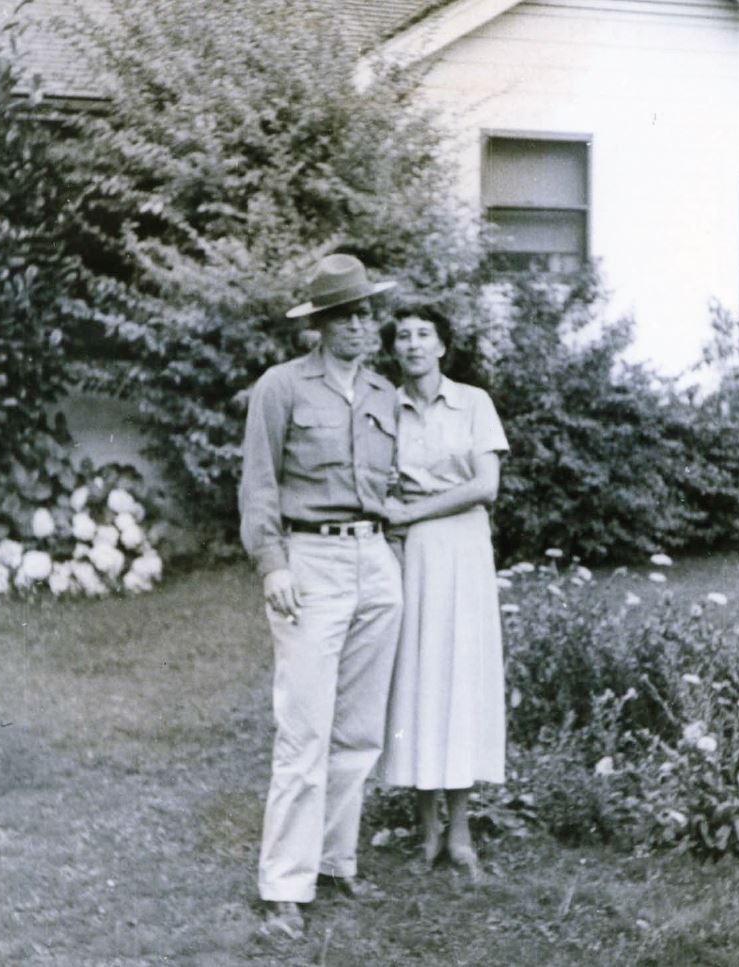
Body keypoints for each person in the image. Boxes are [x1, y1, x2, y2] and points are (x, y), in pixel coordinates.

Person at [238, 254, 403, 938]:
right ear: (321, 325)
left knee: (359, 729)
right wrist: (272, 564)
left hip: (374, 557)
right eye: (348, 315)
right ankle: (283, 885)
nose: (363, 325)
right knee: (303, 725)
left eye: (368, 313)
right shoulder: (280, 388)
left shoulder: (382, 392)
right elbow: (258, 484)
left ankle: (335, 862)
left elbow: (397, 480)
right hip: (310, 559)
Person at [377, 304, 508, 880]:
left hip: (464, 550)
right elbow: (377, 483)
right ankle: (426, 830)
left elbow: (485, 486)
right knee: (417, 678)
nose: (412, 345)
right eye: (402, 336)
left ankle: (461, 832)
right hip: (412, 555)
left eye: (423, 334)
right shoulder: (384, 407)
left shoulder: (473, 402)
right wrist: (393, 516)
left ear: (442, 345)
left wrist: (415, 509)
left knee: (461, 678)